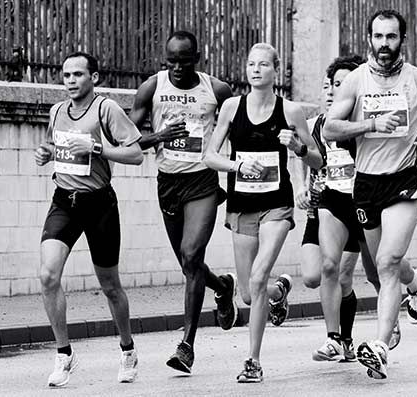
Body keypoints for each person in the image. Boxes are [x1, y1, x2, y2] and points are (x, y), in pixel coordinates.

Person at [323, 9, 417, 380]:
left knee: (388, 262)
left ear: (402, 39)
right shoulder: (355, 81)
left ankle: (379, 347)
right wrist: (371, 123)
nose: (385, 44)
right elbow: (329, 129)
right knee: (385, 265)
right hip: (367, 184)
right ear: (369, 39)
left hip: (404, 180)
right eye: (378, 37)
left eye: (391, 37)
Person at [204, 42, 323, 383]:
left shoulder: (291, 111)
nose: (256, 70)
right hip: (241, 206)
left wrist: (297, 146)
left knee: (257, 278)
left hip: (276, 205)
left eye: (263, 65)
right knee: (247, 292)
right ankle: (279, 292)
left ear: (276, 70)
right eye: (251, 64)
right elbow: (210, 157)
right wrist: (236, 165)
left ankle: (252, 361)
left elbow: (316, 158)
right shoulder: (230, 107)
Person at [128, 31, 238, 374]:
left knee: (192, 255)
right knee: (187, 264)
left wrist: (235, 182)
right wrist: (158, 137)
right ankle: (222, 287)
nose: (177, 68)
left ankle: (186, 345)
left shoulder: (216, 90)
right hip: (169, 182)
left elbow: (237, 135)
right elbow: (128, 139)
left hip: (202, 181)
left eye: (184, 61)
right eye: (171, 61)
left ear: (197, 58)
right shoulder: (152, 87)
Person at [34, 52, 144, 387]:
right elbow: (55, 147)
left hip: (99, 204)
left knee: (110, 286)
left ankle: (127, 349)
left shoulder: (106, 109)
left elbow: (136, 154)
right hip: (64, 201)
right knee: (48, 275)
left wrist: (99, 150)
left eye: (77, 74)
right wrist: (45, 153)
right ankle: (64, 354)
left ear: (93, 78)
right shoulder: (57, 111)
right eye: (66, 74)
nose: (70, 80)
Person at [296, 55, 400, 363]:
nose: (332, 91)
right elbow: (310, 155)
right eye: (330, 85)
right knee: (330, 268)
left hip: (366, 200)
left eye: (340, 84)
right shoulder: (321, 123)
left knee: (377, 272)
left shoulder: (371, 118)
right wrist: (302, 185)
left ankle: (391, 315)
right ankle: (335, 339)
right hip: (333, 198)